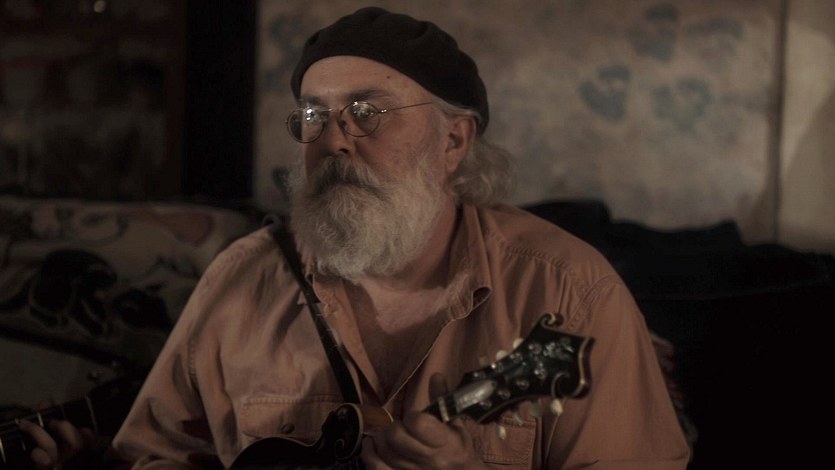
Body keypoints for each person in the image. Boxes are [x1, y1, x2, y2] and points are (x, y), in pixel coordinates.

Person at [109, 6, 690, 469]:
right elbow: (151, 455)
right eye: (313, 116)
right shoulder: (242, 278)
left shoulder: (571, 292)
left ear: (453, 142)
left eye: (367, 112)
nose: (333, 141)